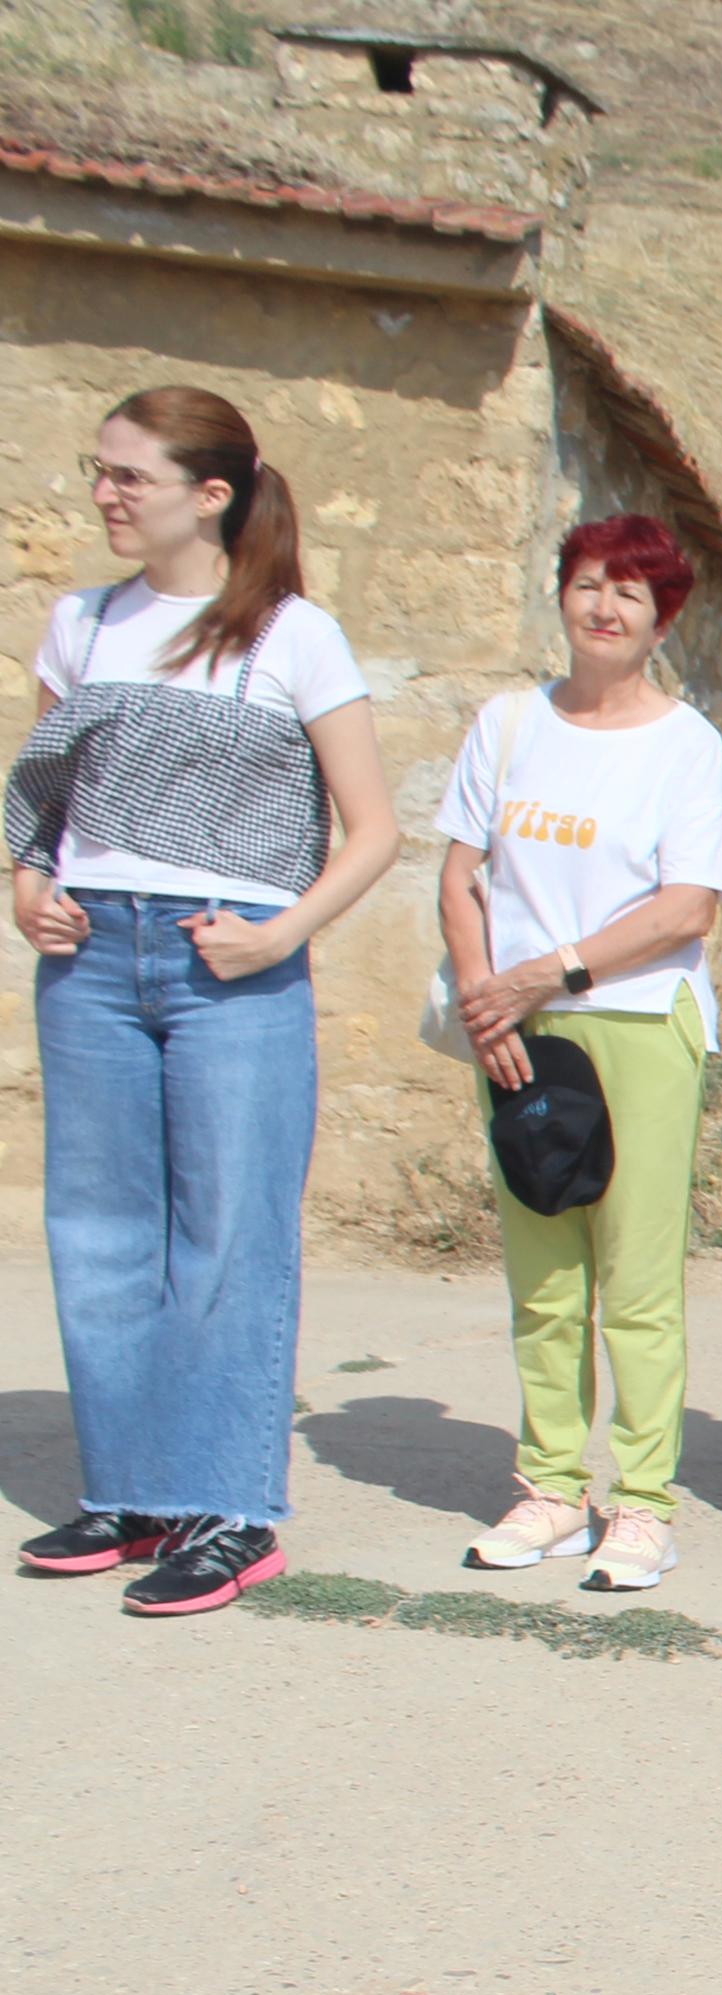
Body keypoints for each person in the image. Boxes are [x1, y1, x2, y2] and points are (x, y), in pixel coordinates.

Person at [10, 386, 399, 1612]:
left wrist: (278, 931)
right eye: (102, 471)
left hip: (230, 962)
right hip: (88, 962)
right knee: (100, 1232)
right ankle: (131, 1490)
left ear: (210, 493)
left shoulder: (293, 636)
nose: (106, 494)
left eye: (130, 475)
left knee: (229, 1234)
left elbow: (375, 830)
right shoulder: (80, 624)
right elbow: (37, 796)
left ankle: (232, 1508)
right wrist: (27, 882)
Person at [435, 512, 722, 1593]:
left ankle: (643, 1501)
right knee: (542, 1270)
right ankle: (550, 1488)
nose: (604, 604)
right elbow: (460, 871)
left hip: (635, 1021)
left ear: (663, 618)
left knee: (635, 1274)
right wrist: (488, 995)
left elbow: (687, 905)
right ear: (560, 594)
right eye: (587, 582)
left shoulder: (685, 743)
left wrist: (550, 970)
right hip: (518, 1029)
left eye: (631, 590)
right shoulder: (509, 723)